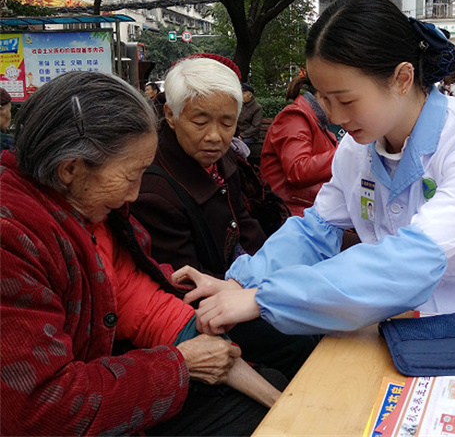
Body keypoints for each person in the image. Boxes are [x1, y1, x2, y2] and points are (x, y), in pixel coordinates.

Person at [184, 0, 455, 336]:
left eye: (345, 100)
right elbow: (316, 232)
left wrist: (263, 298)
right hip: (437, 322)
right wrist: (243, 281)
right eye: (323, 99)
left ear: (402, 78)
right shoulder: (356, 150)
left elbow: (412, 259)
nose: (333, 116)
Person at [0, 71, 286, 436]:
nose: (134, 195)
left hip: (108, 385)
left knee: (269, 382)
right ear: (70, 168)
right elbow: (43, 407)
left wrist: (213, 348)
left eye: (226, 122)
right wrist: (180, 363)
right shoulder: (13, 240)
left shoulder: (88, 214)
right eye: (130, 176)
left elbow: (138, 299)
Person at [130, 54, 319, 379]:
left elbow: (249, 229)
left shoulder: (224, 160)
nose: (215, 136)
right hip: (203, 310)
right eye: (200, 122)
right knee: (298, 340)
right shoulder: (153, 188)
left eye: (227, 122)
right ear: (171, 116)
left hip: (240, 283)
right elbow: (183, 284)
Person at [261, 74, 338, 216]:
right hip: (291, 215)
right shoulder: (295, 116)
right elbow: (298, 169)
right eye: (345, 102)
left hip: (313, 212)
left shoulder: (318, 122)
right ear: (323, 95)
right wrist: (346, 152)